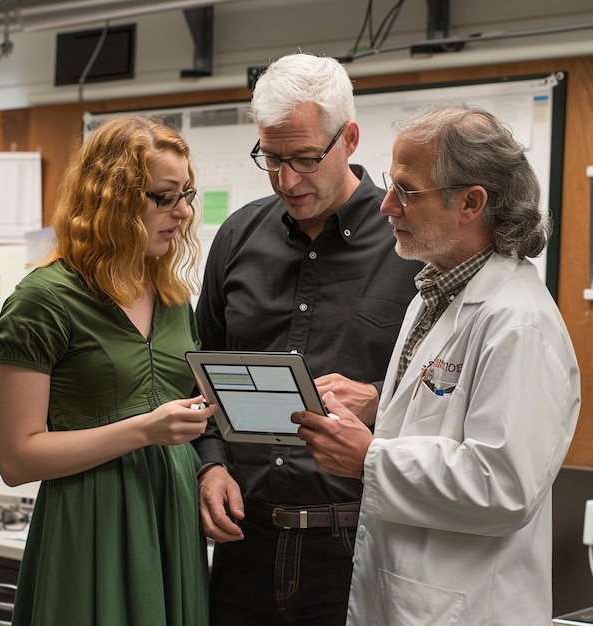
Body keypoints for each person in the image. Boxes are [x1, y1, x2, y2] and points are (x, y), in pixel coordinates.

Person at [292, 102, 581, 625]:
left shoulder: (519, 323)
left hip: (466, 606)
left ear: (471, 202)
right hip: (413, 595)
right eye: (389, 184)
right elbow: (447, 412)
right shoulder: (435, 292)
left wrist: (370, 460)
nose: (385, 207)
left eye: (407, 189)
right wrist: (380, 406)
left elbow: (503, 487)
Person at [193, 52, 423, 625]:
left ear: (348, 138)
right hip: (243, 543)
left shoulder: (413, 245)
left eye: (302, 159)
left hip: (358, 547)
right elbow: (197, 375)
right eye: (270, 159)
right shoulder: (238, 236)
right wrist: (210, 465)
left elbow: (455, 385)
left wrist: (377, 398)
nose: (285, 180)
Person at [0, 115, 218, 626]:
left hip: (170, 518)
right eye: (165, 197)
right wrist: (144, 430)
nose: (182, 212)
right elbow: (17, 457)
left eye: (187, 195)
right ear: (114, 198)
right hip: (91, 521)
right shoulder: (44, 300)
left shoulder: (174, 300)